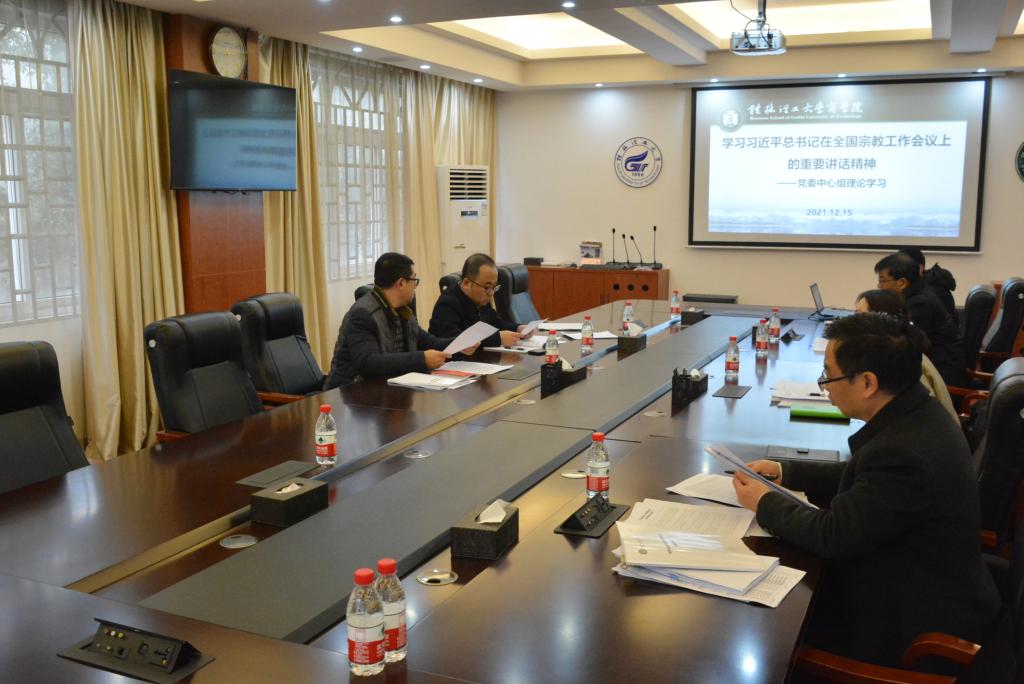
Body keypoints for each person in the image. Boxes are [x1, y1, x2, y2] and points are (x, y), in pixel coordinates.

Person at [732, 313, 1000, 670]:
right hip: (919, 586)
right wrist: (787, 471)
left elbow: (832, 536)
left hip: (907, 630)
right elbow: (865, 478)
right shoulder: (917, 413)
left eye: (829, 374)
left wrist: (764, 501)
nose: (825, 385)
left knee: (755, 628)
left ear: (868, 383)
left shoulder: (902, 453)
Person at [324, 252, 477, 389]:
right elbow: (368, 363)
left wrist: (459, 344)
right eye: (414, 280)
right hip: (350, 394)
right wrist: (421, 359)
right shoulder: (363, 314)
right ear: (401, 283)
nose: (415, 286)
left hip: (387, 388)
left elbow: (427, 342)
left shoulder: (402, 309)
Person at [854, 288, 958, 423]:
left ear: (881, 320)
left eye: (861, 316)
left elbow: (921, 417)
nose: (854, 322)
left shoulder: (905, 361)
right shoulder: (894, 351)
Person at [874, 252, 964, 385]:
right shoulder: (916, 294)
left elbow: (903, 344)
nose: (879, 286)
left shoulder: (920, 303)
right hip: (932, 365)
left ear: (902, 283)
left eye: (882, 281)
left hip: (939, 374)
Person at [429, 254, 524, 348]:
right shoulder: (447, 303)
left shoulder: (481, 298)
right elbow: (454, 340)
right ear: (466, 283)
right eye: (487, 287)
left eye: (494, 286)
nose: (491, 293)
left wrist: (517, 328)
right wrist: (498, 338)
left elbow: (494, 322)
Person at [898, 247, 958, 321]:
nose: (896, 271)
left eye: (901, 266)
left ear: (920, 268)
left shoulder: (930, 290)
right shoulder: (921, 284)